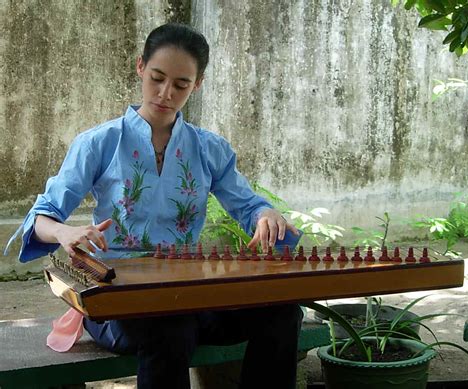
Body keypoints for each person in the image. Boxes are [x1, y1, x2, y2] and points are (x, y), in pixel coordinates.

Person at [6, 23, 303, 389]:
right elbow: (41, 218)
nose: (165, 93)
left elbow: (248, 206)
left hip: (189, 294)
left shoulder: (209, 149)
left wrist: (265, 214)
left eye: (181, 85)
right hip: (117, 302)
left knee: (282, 313)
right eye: (157, 78)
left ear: (198, 85)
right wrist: (64, 231)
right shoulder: (99, 143)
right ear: (140, 67)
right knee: (170, 327)